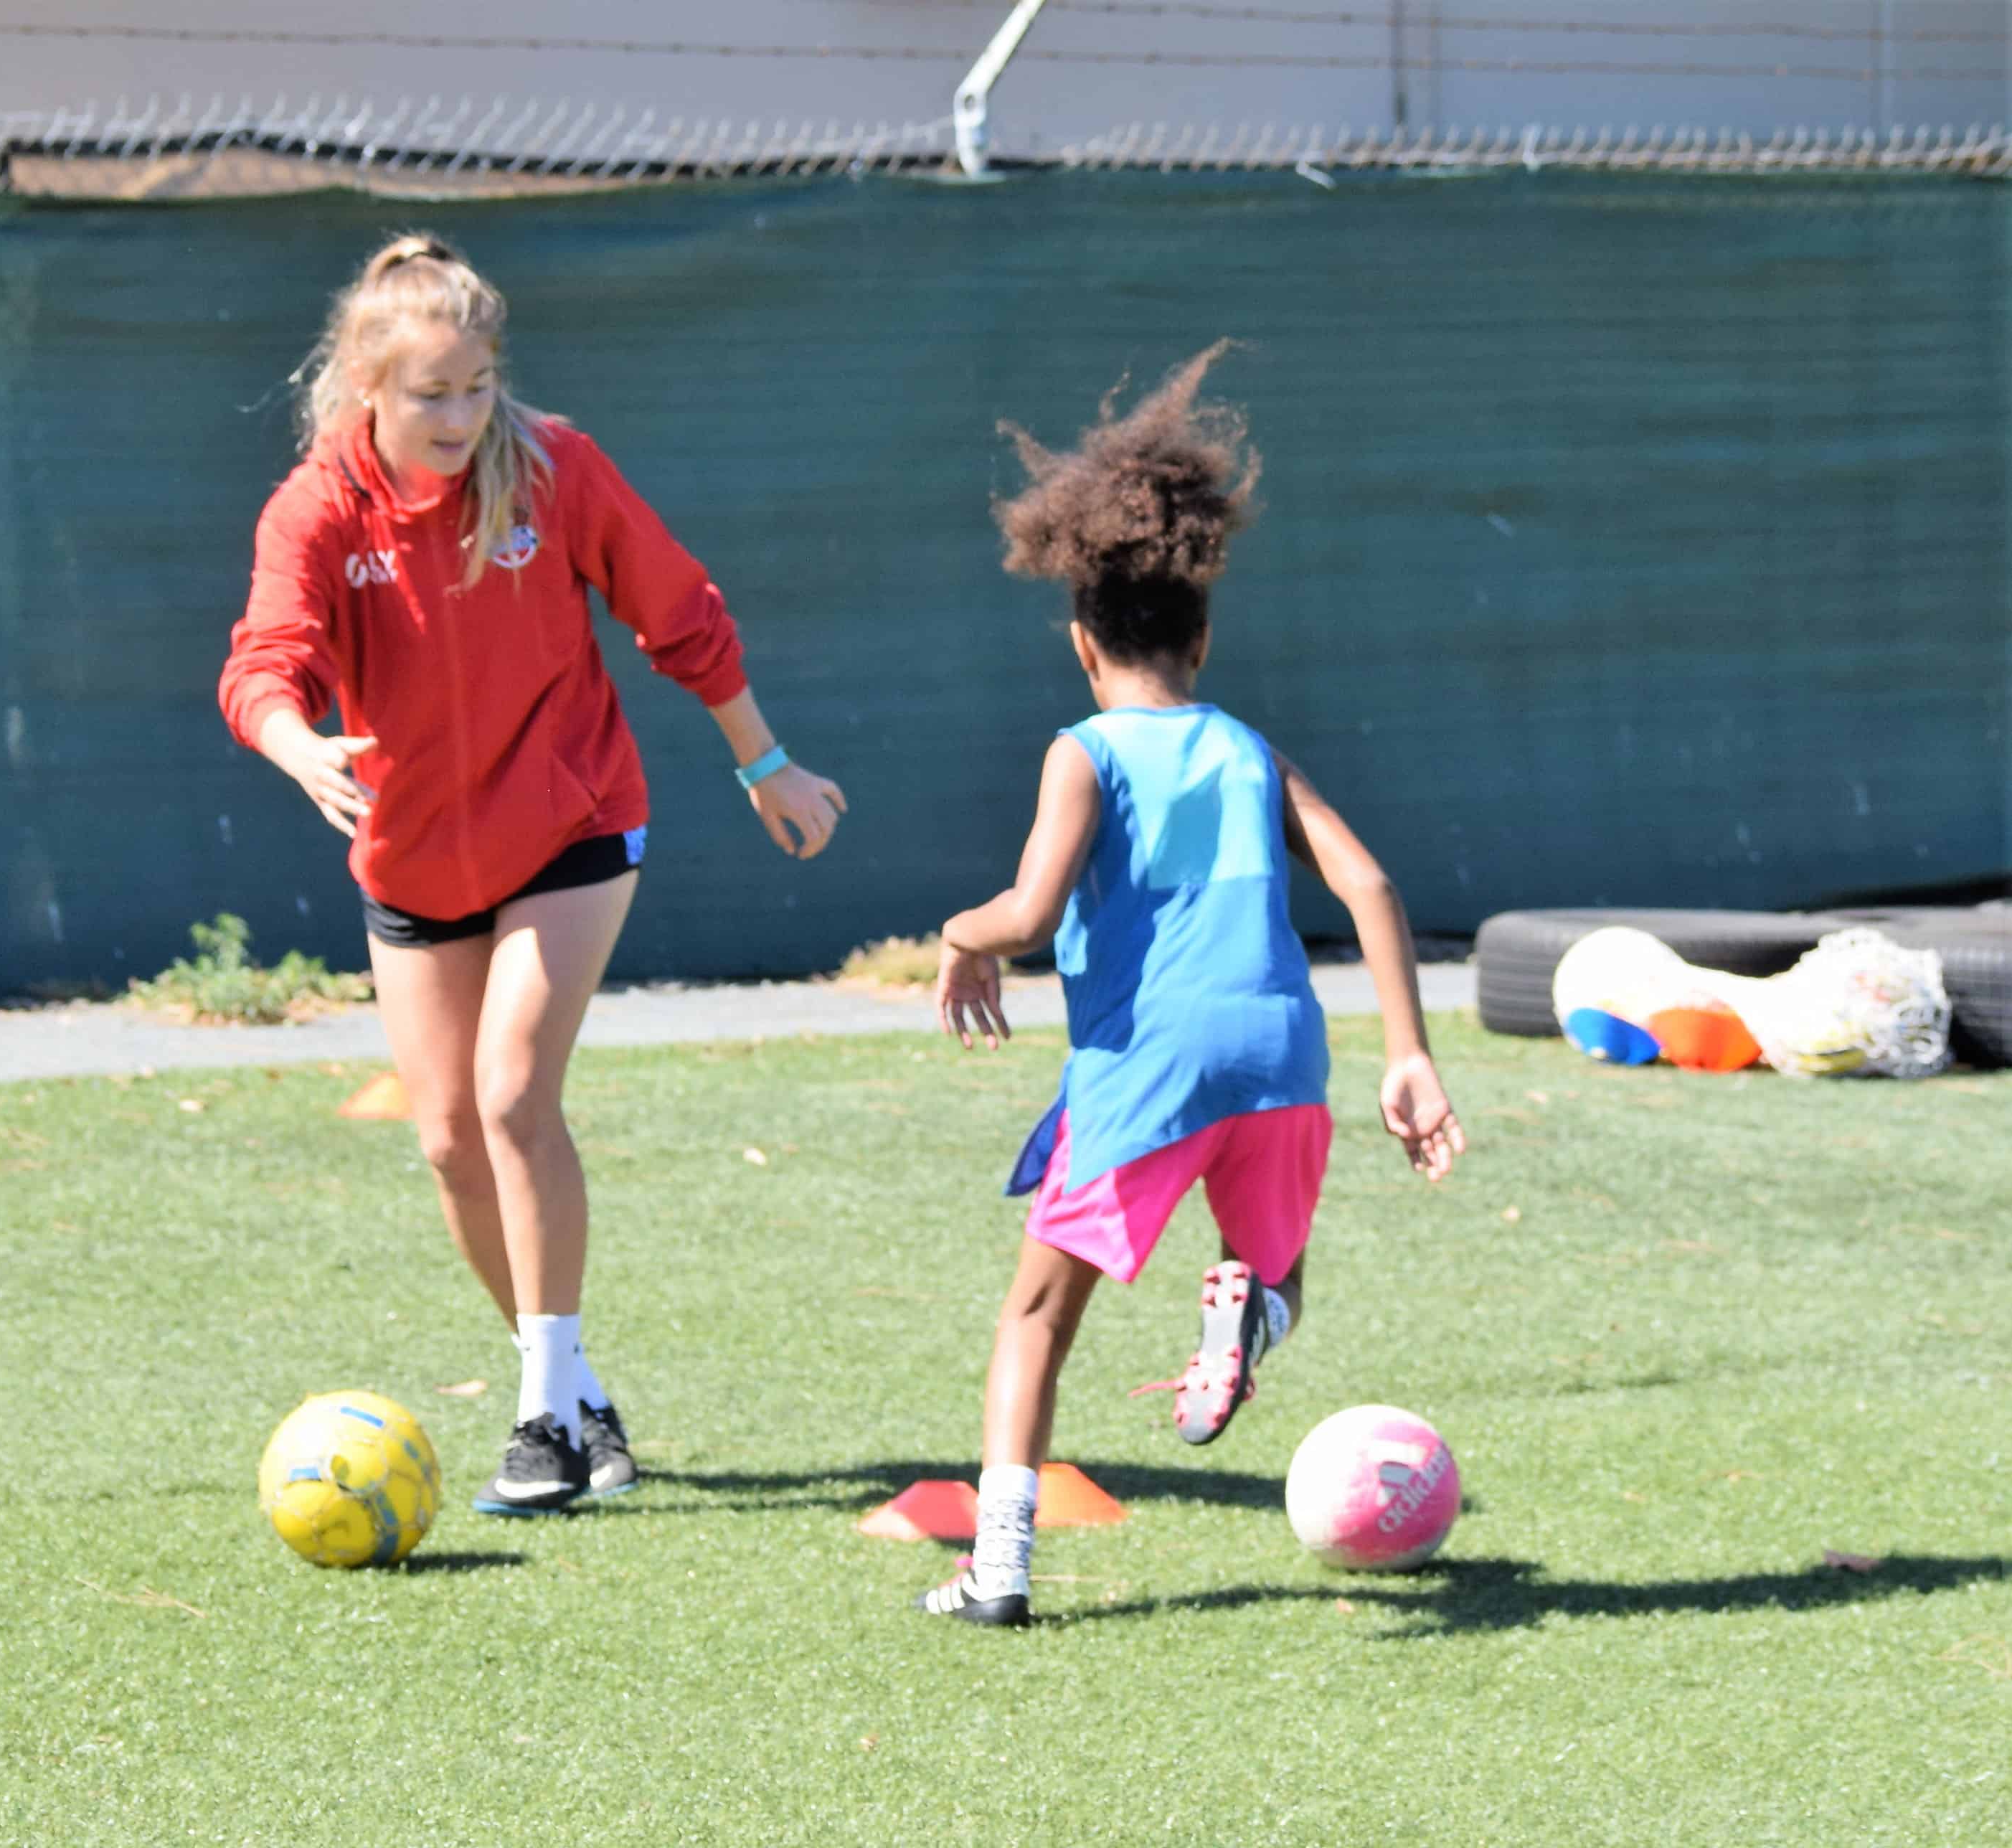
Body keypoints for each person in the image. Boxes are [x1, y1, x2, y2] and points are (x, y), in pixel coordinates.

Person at [218, 234, 846, 1517]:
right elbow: (262, 660)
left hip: (571, 820)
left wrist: (764, 764)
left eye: (478, 385)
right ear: (364, 392)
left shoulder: (550, 467)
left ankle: (542, 1425)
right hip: (411, 846)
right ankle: (570, 1384)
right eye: (430, 393)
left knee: (511, 1098)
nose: (459, 415)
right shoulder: (318, 508)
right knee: (447, 1137)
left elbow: (680, 612)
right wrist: (296, 745)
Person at [917, 345, 1463, 1626]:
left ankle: (997, 1567)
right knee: (1278, 1272)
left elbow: (1031, 908)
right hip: (1281, 1055)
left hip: (1147, 1068)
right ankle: (1249, 1310)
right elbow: (1370, 885)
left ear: (1078, 642)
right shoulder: (1248, 748)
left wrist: (959, 930)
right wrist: (1408, 1053)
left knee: (1036, 1321)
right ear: (1203, 635)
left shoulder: (1084, 750)